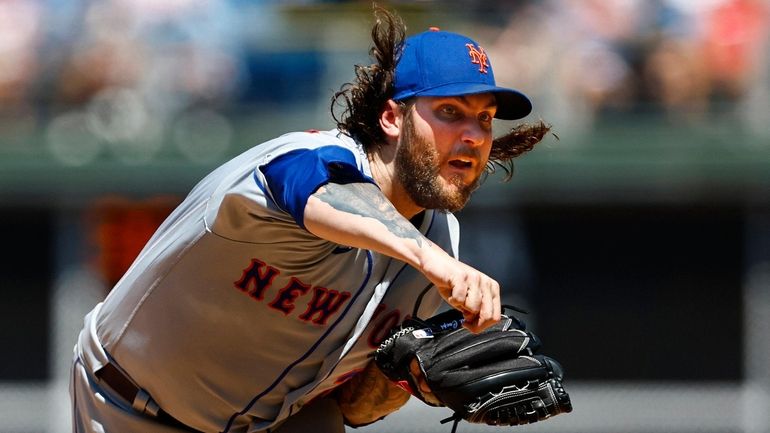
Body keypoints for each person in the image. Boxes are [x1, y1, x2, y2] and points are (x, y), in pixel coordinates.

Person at [70, 7, 550, 433]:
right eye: (450, 112)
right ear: (392, 119)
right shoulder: (312, 157)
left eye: (485, 119)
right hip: (131, 407)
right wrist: (434, 263)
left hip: (279, 420)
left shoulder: (440, 239)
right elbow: (317, 191)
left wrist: (410, 376)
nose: (473, 135)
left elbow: (356, 409)